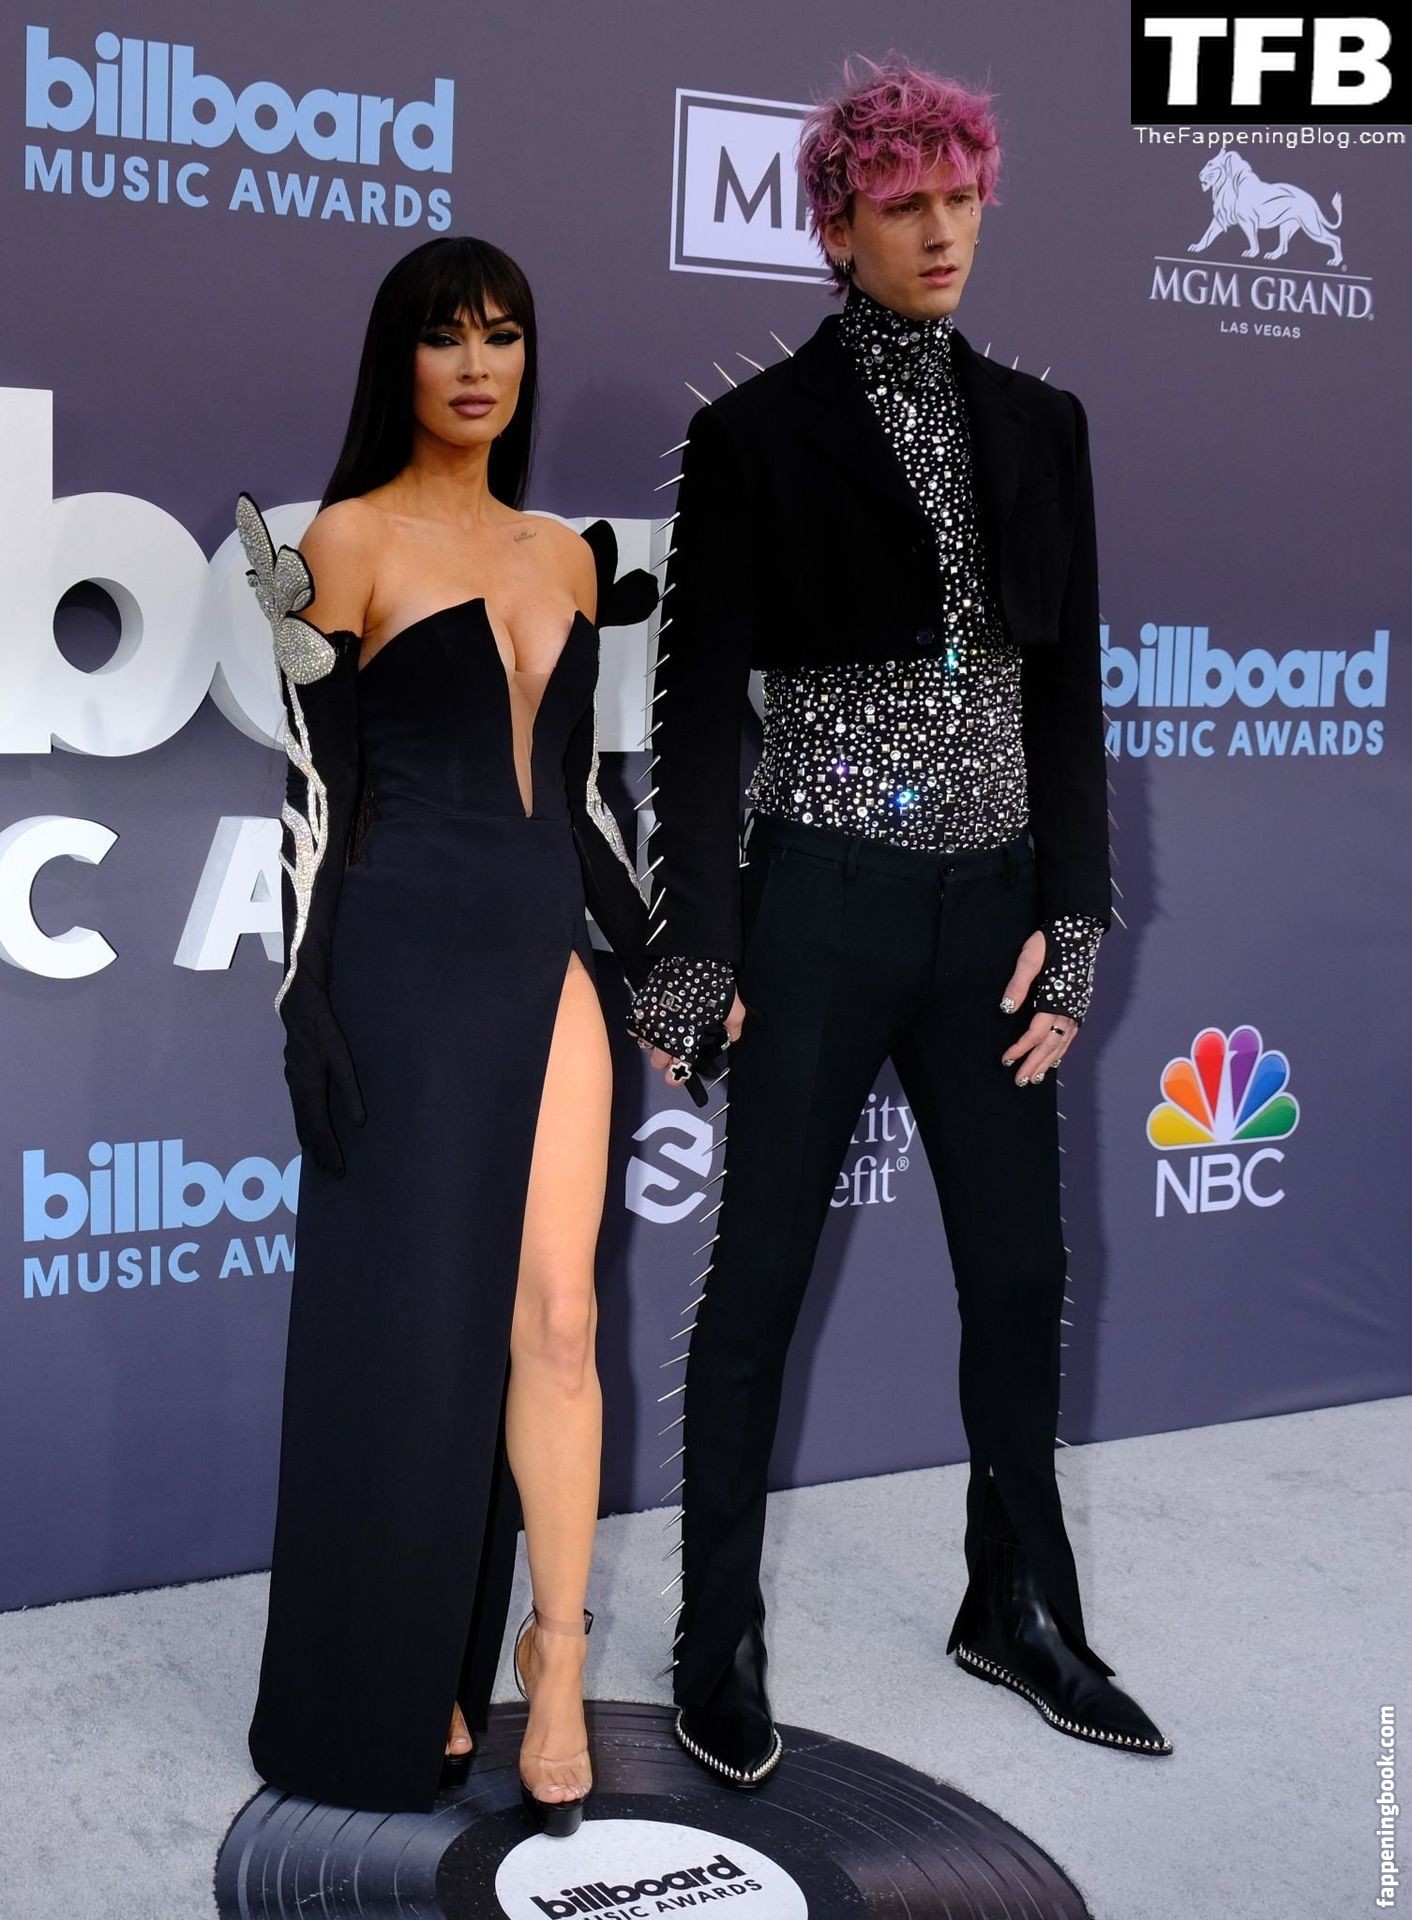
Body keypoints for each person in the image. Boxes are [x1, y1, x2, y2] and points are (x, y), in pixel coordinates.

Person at [627, 56, 1170, 1785]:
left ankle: (1016, 1606)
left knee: (1019, 1270)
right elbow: (695, 719)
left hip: (992, 916)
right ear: (837, 228)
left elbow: (1067, 693)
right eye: (903, 204)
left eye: (961, 199)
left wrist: (1074, 917)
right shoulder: (750, 438)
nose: (942, 231)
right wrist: (698, 945)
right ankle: (715, 1638)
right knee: (758, 1281)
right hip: (821, 903)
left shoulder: (1043, 425)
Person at [236, 234, 657, 1827]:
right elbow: (310, 799)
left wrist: (667, 964)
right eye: (445, 337)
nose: (478, 366)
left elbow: (588, 808)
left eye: (504, 336)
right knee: (414, 1339)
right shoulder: (337, 542)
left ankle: (556, 1655)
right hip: (401, 966)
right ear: (399, 361)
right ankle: (398, 1678)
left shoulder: (566, 558)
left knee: (561, 1319)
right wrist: (304, 1005)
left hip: (546, 966)